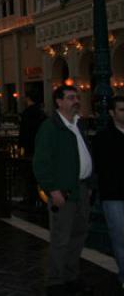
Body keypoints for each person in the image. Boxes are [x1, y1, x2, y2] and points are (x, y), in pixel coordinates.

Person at [33, 85, 92, 295]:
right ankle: (56, 281)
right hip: (63, 193)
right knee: (61, 238)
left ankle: (71, 276)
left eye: (77, 97)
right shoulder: (50, 127)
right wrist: (52, 189)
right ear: (58, 102)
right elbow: (41, 162)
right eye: (70, 98)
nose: (75, 101)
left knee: (78, 236)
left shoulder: (77, 124)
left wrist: (89, 183)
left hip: (81, 189)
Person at [93, 96, 124, 291]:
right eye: (121, 110)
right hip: (114, 195)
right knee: (120, 238)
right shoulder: (102, 138)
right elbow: (103, 170)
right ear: (112, 113)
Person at [19, 91, 46, 207]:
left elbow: (24, 132)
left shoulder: (27, 113)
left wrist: (21, 145)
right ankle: (40, 198)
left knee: (29, 174)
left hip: (29, 146)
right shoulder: (41, 113)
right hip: (39, 146)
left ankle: (30, 198)